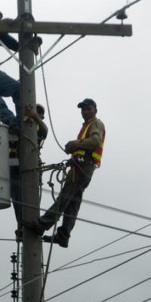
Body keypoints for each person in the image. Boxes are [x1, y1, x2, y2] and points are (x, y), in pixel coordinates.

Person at [23, 98, 106, 248]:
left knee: (65, 198)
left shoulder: (96, 124)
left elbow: (96, 141)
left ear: (95, 110)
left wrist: (75, 144)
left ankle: (42, 225)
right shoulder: (87, 126)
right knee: (72, 204)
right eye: (83, 109)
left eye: (88, 108)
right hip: (82, 166)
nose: (85, 111)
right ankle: (63, 235)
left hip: (83, 166)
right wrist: (73, 152)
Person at [10, 104, 48, 232]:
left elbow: (45, 131)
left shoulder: (38, 125)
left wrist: (36, 117)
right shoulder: (19, 122)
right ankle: (21, 226)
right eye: (36, 110)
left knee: (30, 197)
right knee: (17, 197)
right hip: (14, 164)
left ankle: (29, 224)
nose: (37, 113)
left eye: (40, 112)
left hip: (31, 165)